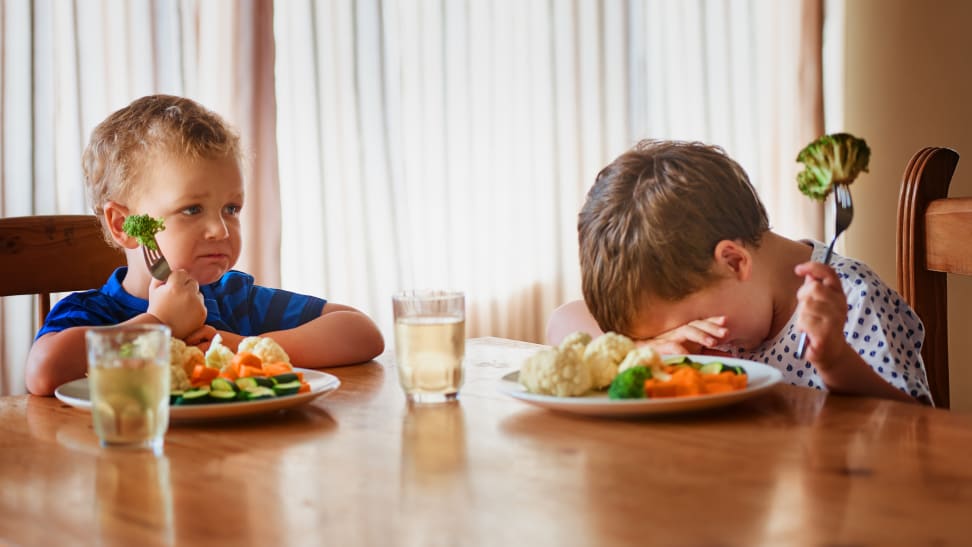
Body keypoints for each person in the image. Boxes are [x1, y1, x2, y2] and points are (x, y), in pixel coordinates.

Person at [26, 95, 384, 396]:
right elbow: (44, 372)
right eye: (192, 209)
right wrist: (158, 324)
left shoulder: (233, 298)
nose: (220, 229)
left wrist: (242, 346)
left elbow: (361, 333)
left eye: (231, 208)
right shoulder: (95, 313)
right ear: (125, 225)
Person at [548, 139, 931, 404]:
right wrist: (642, 349)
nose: (686, 341)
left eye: (690, 324)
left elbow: (916, 430)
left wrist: (835, 361)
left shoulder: (851, 303)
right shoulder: (702, 291)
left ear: (733, 262)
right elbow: (562, 322)